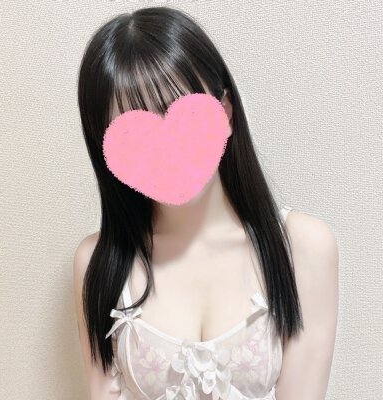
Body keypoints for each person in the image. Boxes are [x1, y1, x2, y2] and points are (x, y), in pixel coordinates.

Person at [73, 6, 339, 400]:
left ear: (225, 110)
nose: (166, 150)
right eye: (133, 134)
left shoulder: (302, 247)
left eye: (177, 110)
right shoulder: (98, 262)